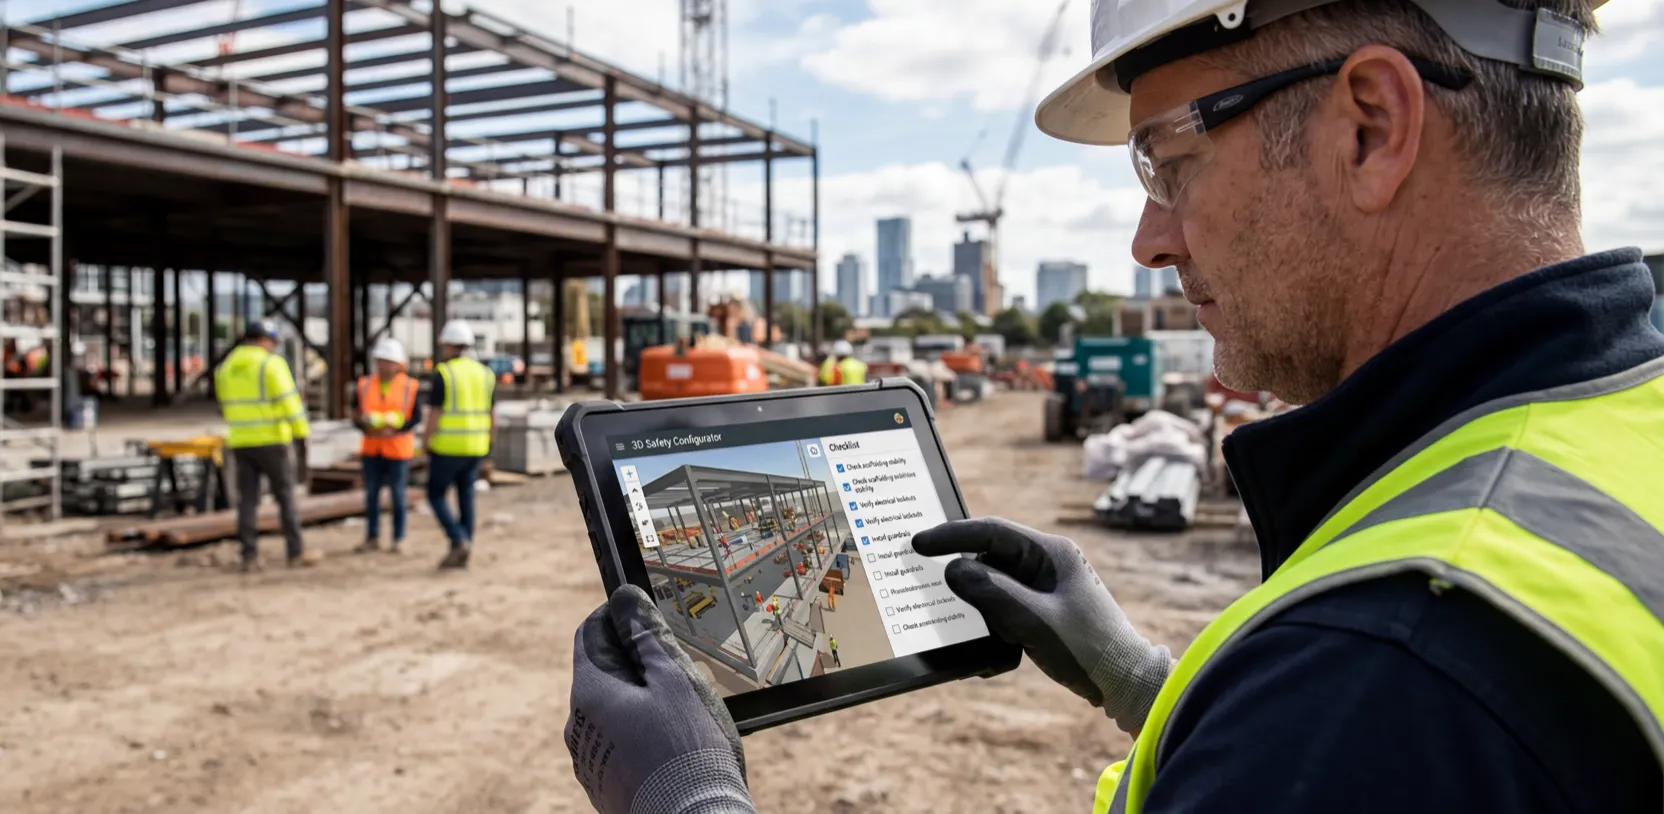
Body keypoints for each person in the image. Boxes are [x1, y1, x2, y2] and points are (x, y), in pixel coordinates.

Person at [563, 1, 1664, 812]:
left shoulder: (1390, 668)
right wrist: (1151, 683)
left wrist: (689, 800)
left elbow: (1376, 725)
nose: (1148, 241)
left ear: (1369, 125)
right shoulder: (1619, 426)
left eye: (1168, 159)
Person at [214, 320, 315, 571]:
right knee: (286, 496)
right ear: (264, 340)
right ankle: (295, 553)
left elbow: (224, 404)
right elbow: (289, 402)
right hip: (272, 440)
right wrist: (302, 433)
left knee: (247, 500)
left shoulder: (225, 368)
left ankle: (249, 555)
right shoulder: (271, 365)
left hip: (240, 442)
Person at [422, 320, 496, 570]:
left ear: (450, 345)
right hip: (476, 446)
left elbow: (435, 412)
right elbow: (491, 412)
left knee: (435, 494)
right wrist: (489, 442)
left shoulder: (445, 373)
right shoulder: (485, 374)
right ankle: (465, 545)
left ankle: (458, 538)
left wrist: (425, 440)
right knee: (466, 497)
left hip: (448, 447)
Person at [352, 337, 420, 554]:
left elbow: (415, 417)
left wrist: (397, 429)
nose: (385, 365)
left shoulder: (409, 386)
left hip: (398, 449)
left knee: (398, 495)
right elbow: (355, 414)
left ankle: (399, 538)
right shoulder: (364, 385)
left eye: (389, 361)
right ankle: (372, 537)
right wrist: (365, 426)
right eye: (381, 361)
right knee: (371, 495)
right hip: (372, 448)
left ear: (398, 364)